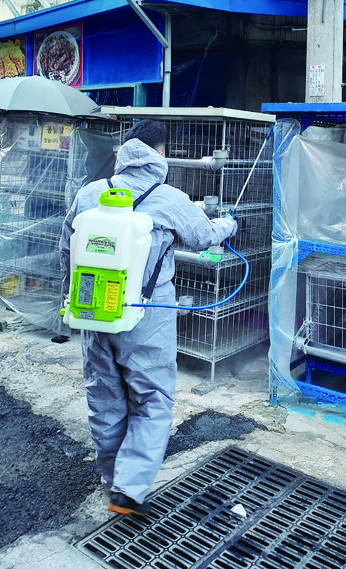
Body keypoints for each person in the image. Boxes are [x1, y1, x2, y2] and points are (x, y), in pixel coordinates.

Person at [59, 120, 237, 516]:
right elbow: (204, 236)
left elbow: (65, 245)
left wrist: (73, 302)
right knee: (152, 397)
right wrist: (229, 223)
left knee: (104, 398)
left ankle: (112, 480)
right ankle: (129, 487)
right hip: (146, 314)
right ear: (160, 153)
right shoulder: (169, 197)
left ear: (123, 152)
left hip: (95, 312)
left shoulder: (91, 193)